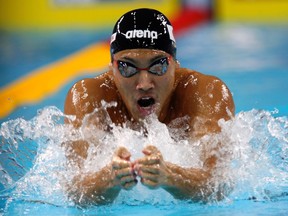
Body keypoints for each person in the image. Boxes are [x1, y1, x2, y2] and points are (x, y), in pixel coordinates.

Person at [64, 8, 235, 206]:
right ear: (112, 68)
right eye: (128, 67)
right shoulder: (89, 97)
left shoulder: (206, 94)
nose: (144, 83)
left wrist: (170, 176)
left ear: (175, 64)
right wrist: (109, 179)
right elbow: (75, 191)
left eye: (158, 65)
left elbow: (218, 185)